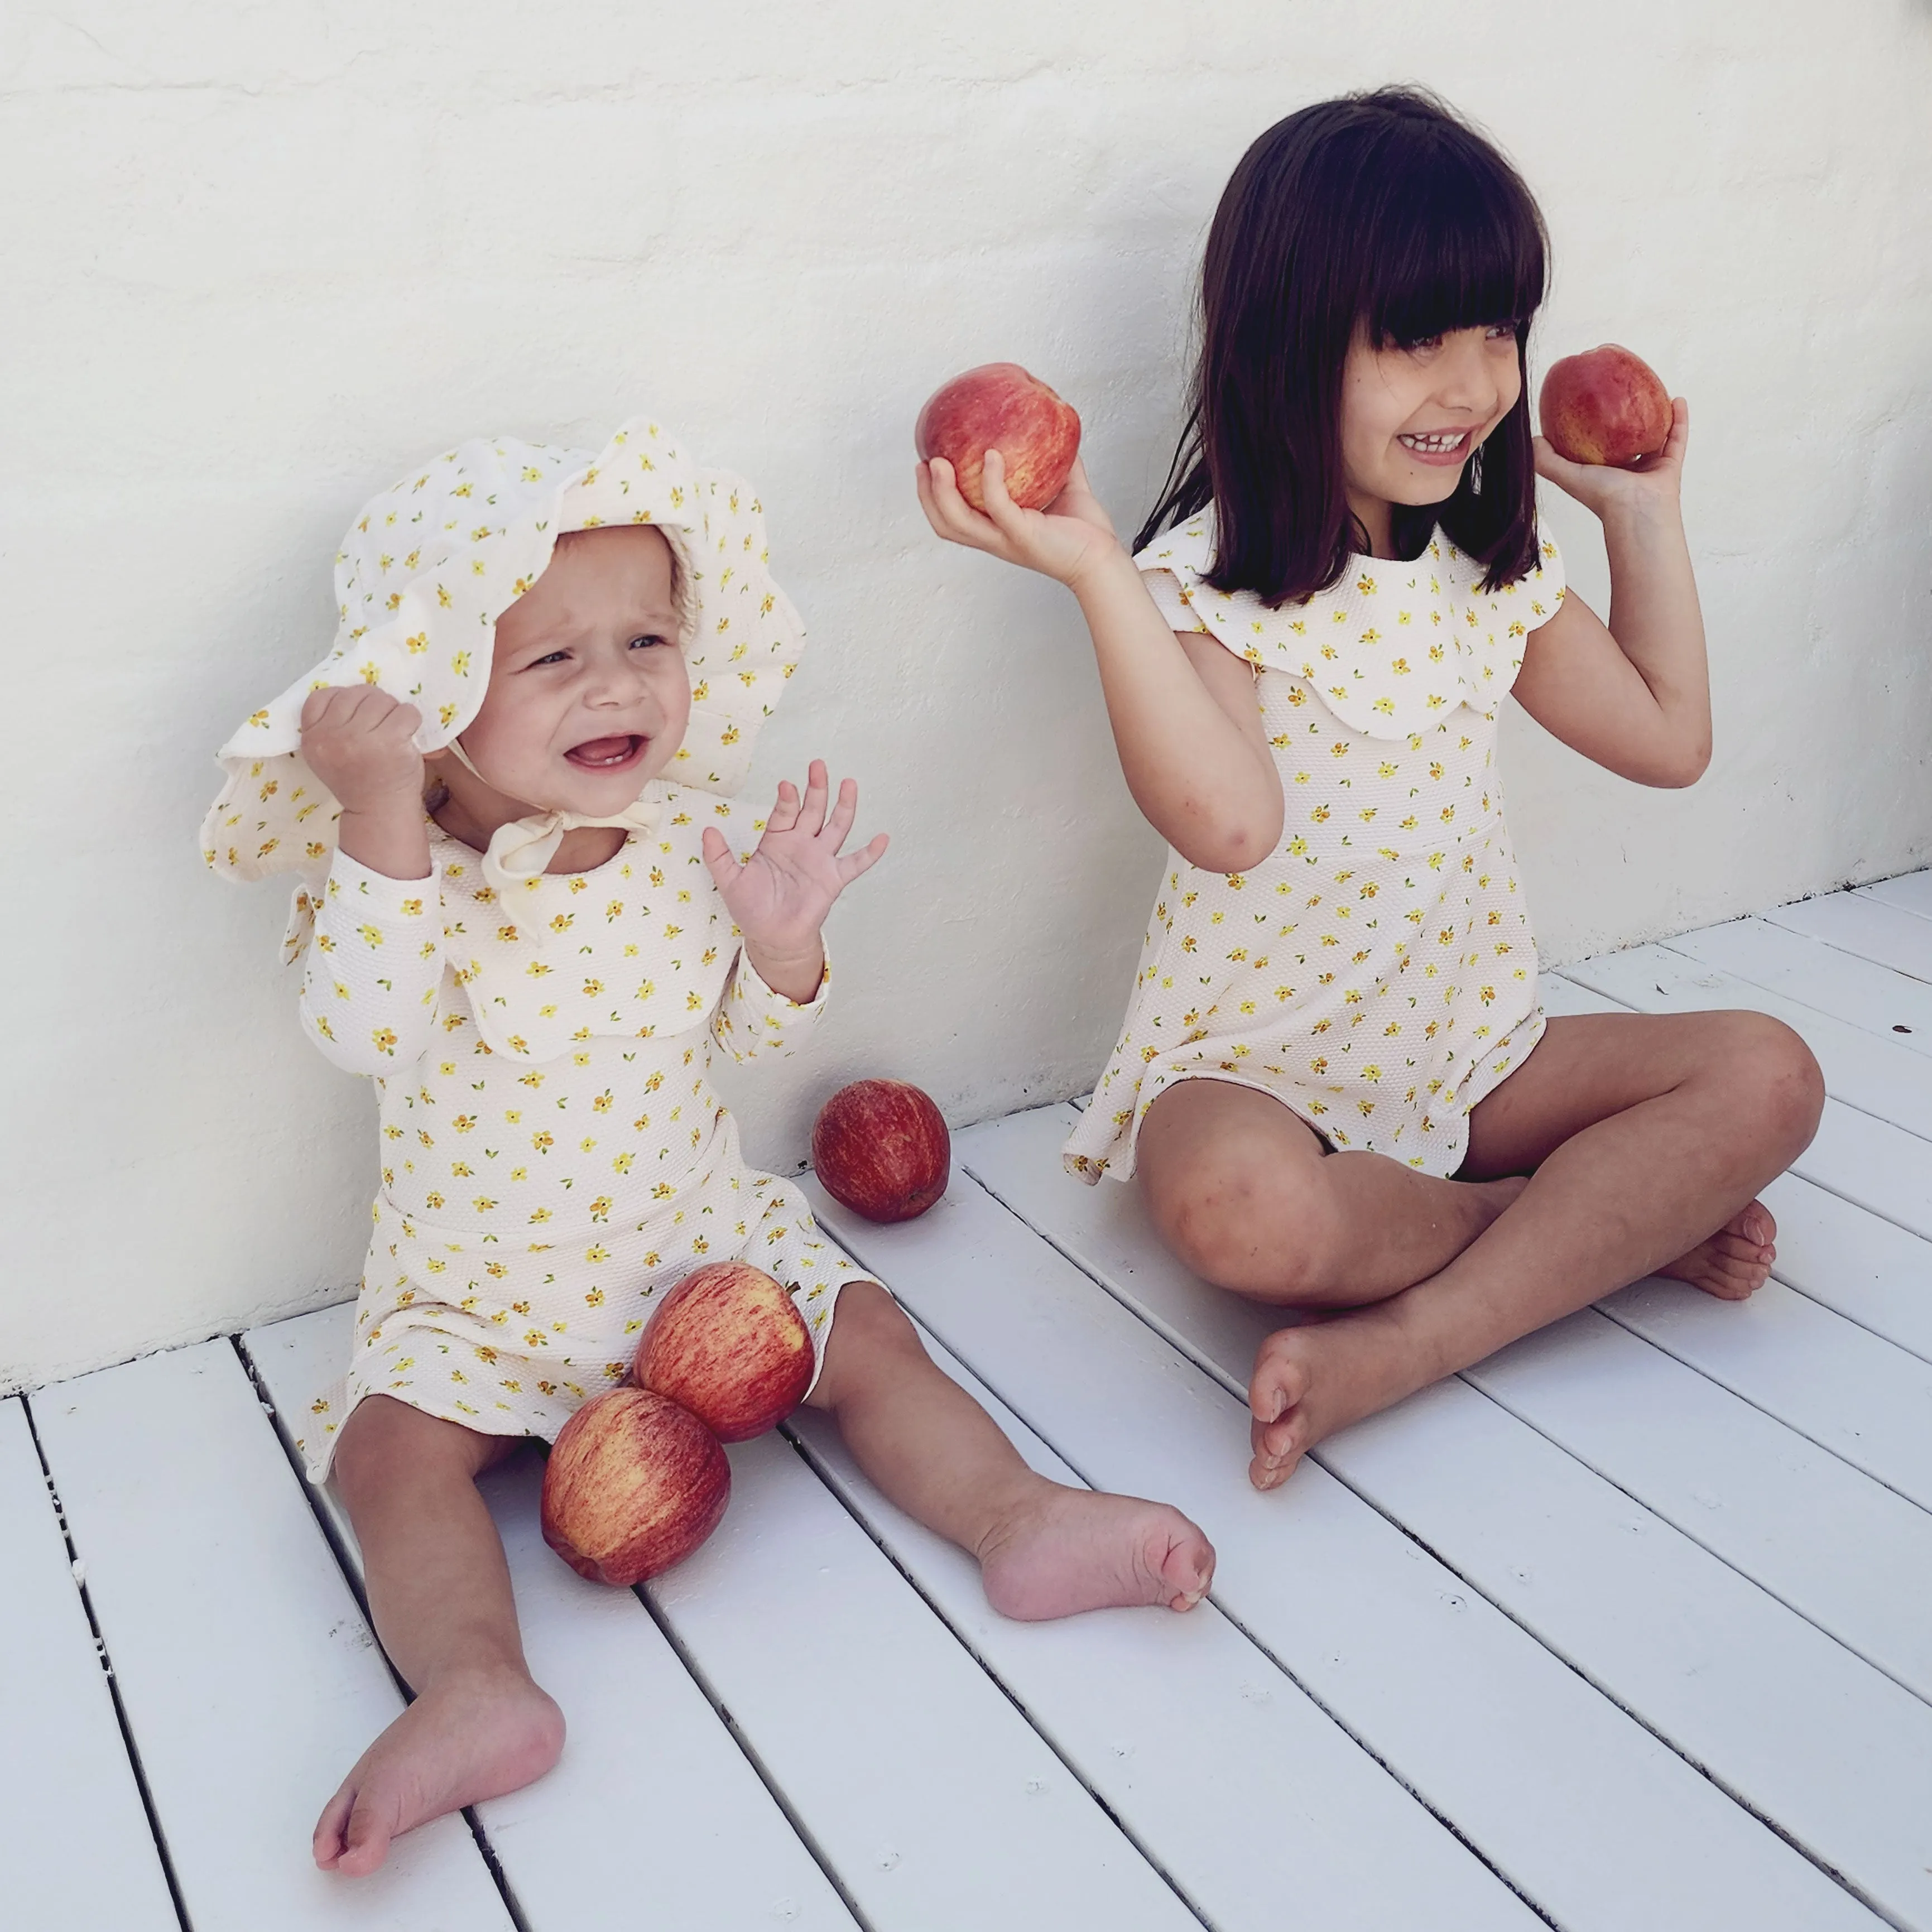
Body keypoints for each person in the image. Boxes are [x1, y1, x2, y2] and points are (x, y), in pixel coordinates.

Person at [204, 417, 1214, 1878]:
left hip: (700, 1255)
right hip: (483, 1298)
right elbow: (363, 1029)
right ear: (430, 691)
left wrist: (782, 943)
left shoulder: (695, 838)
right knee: (387, 1455)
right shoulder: (405, 876)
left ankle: (1018, 1514)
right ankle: (475, 1683)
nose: (615, 681)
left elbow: (746, 1043)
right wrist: (375, 815)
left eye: (644, 639)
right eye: (549, 656)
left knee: (868, 1332)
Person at [918, 89, 1823, 1497]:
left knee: (1770, 1072)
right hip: (1257, 1074)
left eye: (1500, 335)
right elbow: (1231, 827)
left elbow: (1667, 737)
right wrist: (1101, 576)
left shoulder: (1490, 574)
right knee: (1240, 1219)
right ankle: (1573, 1231)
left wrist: (1644, 516)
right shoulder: (1211, 588)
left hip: (1470, 1055)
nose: (1471, 388)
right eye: (1416, 343)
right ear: (1288, 343)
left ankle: (1414, 1340)